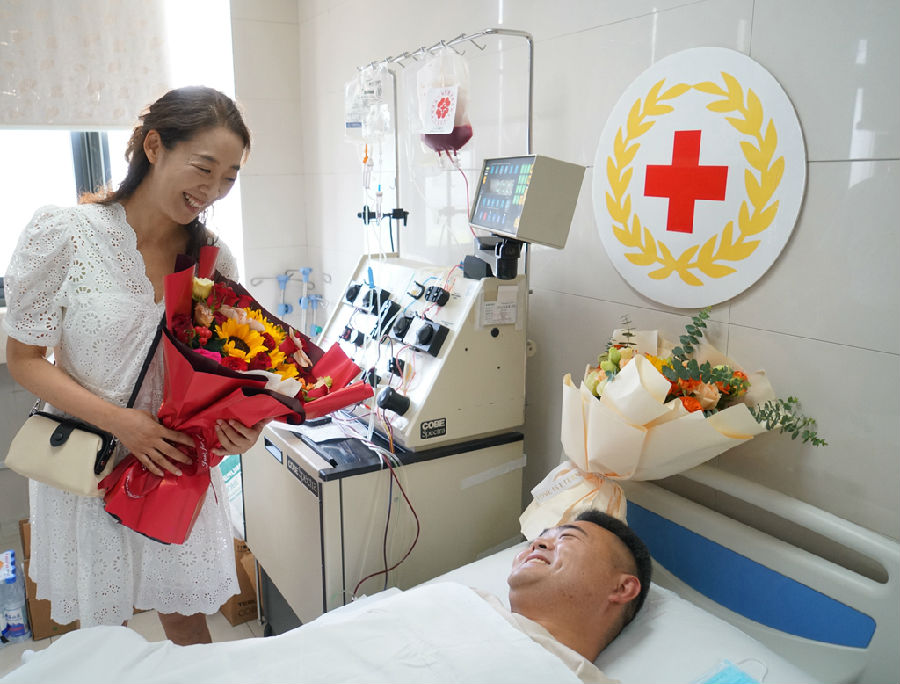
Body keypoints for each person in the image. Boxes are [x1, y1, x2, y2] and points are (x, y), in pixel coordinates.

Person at [3, 86, 263, 646]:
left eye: (229, 177)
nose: (212, 190)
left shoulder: (214, 260)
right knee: (104, 629)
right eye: (203, 168)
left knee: (186, 618)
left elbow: (221, 377)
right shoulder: (66, 234)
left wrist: (241, 429)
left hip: (172, 464)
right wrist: (122, 423)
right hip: (88, 464)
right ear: (153, 146)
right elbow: (24, 360)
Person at [504, 510, 652, 672]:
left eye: (567, 537)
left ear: (622, 588)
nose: (537, 543)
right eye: (538, 539)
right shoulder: (484, 609)